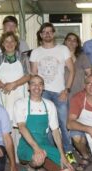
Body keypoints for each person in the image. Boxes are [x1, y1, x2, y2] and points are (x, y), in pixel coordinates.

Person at [30, 22, 76, 163]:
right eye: (44, 32)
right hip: (43, 93)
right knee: (47, 126)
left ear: (54, 33)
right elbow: (33, 74)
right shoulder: (36, 52)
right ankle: (52, 154)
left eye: (50, 31)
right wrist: (35, 94)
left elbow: (72, 70)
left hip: (60, 92)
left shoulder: (63, 49)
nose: (47, 34)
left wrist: (66, 90)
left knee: (63, 124)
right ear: (41, 34)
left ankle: (69, 153)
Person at [14, 75, 73, 171]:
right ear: (28, 87)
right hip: (26, 146)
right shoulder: (20, 103)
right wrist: (37, 149)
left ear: (43, 87)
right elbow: (22, 127)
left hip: (44, 144)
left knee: (67, 167)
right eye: (33, 84)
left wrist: (62, 154)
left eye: (40, 84)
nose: (37, 87)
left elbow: (55, 131)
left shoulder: (49, 105)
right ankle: (31, 168)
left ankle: (36, 169)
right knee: (38, 159)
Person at [0, 31, 31, 161]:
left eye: (12, 41)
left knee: (21, 124)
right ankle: (9, 155)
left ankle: (21, 155)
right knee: (7, 126)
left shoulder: (23, 58)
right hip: (4, 96)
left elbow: (28, 76)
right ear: (2, 44)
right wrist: (2, 85)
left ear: (16, 43)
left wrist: (14, 84)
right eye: (6, 41)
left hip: (20, 95)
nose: (9, 44)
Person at [63, 32, 92, 99]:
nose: (71, 42)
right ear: (65, 42)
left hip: (79, 93)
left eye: (74, 40)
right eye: (69, 40)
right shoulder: (59, 57)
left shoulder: (83, 57)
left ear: (77, 44)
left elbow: (89, 75)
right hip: (63, 93)